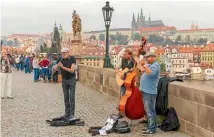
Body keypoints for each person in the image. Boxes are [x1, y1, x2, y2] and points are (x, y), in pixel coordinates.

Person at [137, 52, 160, 135]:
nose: (146, 59)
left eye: (148, 57)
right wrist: (139, 64)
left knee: (150, 111)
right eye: (146, 57)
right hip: (145, 91)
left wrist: (144, 66)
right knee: (147, 110)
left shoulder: (155, 65)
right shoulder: (150, 65)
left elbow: (151, 73)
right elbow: (143, 71)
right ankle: (149, 126)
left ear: (153, 57)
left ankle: (152, 129)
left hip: (150, 92)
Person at [55, 47, 77, 121]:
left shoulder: (72, 59)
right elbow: (54, 69)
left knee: (71, 98)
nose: (63, 54)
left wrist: (62, 67)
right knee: (66, 98)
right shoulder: (60, 59)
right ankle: (67, 113)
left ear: (68, 52)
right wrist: (57, 67)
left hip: (72, 79)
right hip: (64, 80)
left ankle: (72, 114)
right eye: (62, 53)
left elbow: (72, 70)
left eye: (64, 53)